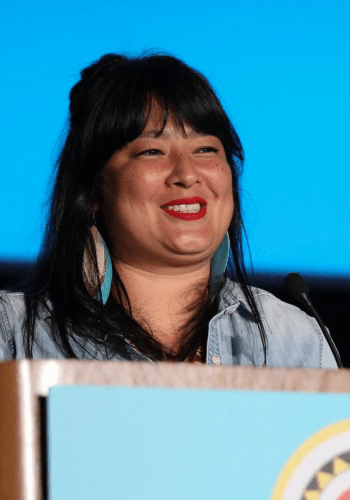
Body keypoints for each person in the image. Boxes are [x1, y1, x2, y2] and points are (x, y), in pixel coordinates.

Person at [0, 53, 338, 367]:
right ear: (92, 191)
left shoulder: (293, 339)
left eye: (206, 149)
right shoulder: (12, 335)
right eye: (152, 151)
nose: (188, 174)